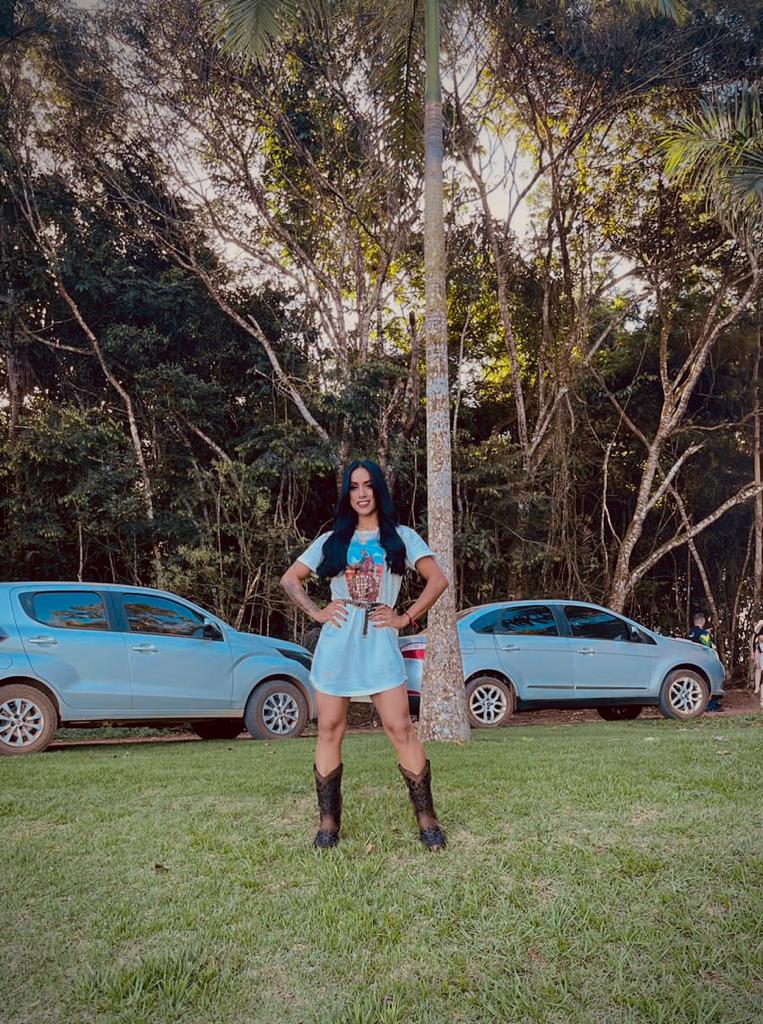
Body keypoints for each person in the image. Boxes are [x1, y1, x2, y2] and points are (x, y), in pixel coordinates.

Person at [280, 459, 450, 852]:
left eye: (368, 485)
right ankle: (328, 825)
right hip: (337, 645)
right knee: (329, 729)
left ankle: (427, 820)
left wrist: (406, 617)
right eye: (354, 486)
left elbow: (438, 580)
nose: (361, 493)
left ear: (378, 491)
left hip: (379, 644)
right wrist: (316, 612)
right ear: (347, 494)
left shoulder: (401, 537)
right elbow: (290, 579)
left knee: (400, 728)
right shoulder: (332, 540)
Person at [687, 611, 722, 711]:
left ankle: (692, 705)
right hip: (703, 661)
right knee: (710, 682)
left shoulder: (690, 632)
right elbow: (709, 647)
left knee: (693, 683)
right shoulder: (703, 634)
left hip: (691, 661)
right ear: (703, 621)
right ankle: (711, 705)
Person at [751, 619, 763, 703]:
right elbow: (753, 642)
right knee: (758, 669)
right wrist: (752, 653)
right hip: (759, 653)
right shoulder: (756, 635)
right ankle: (757, 687)